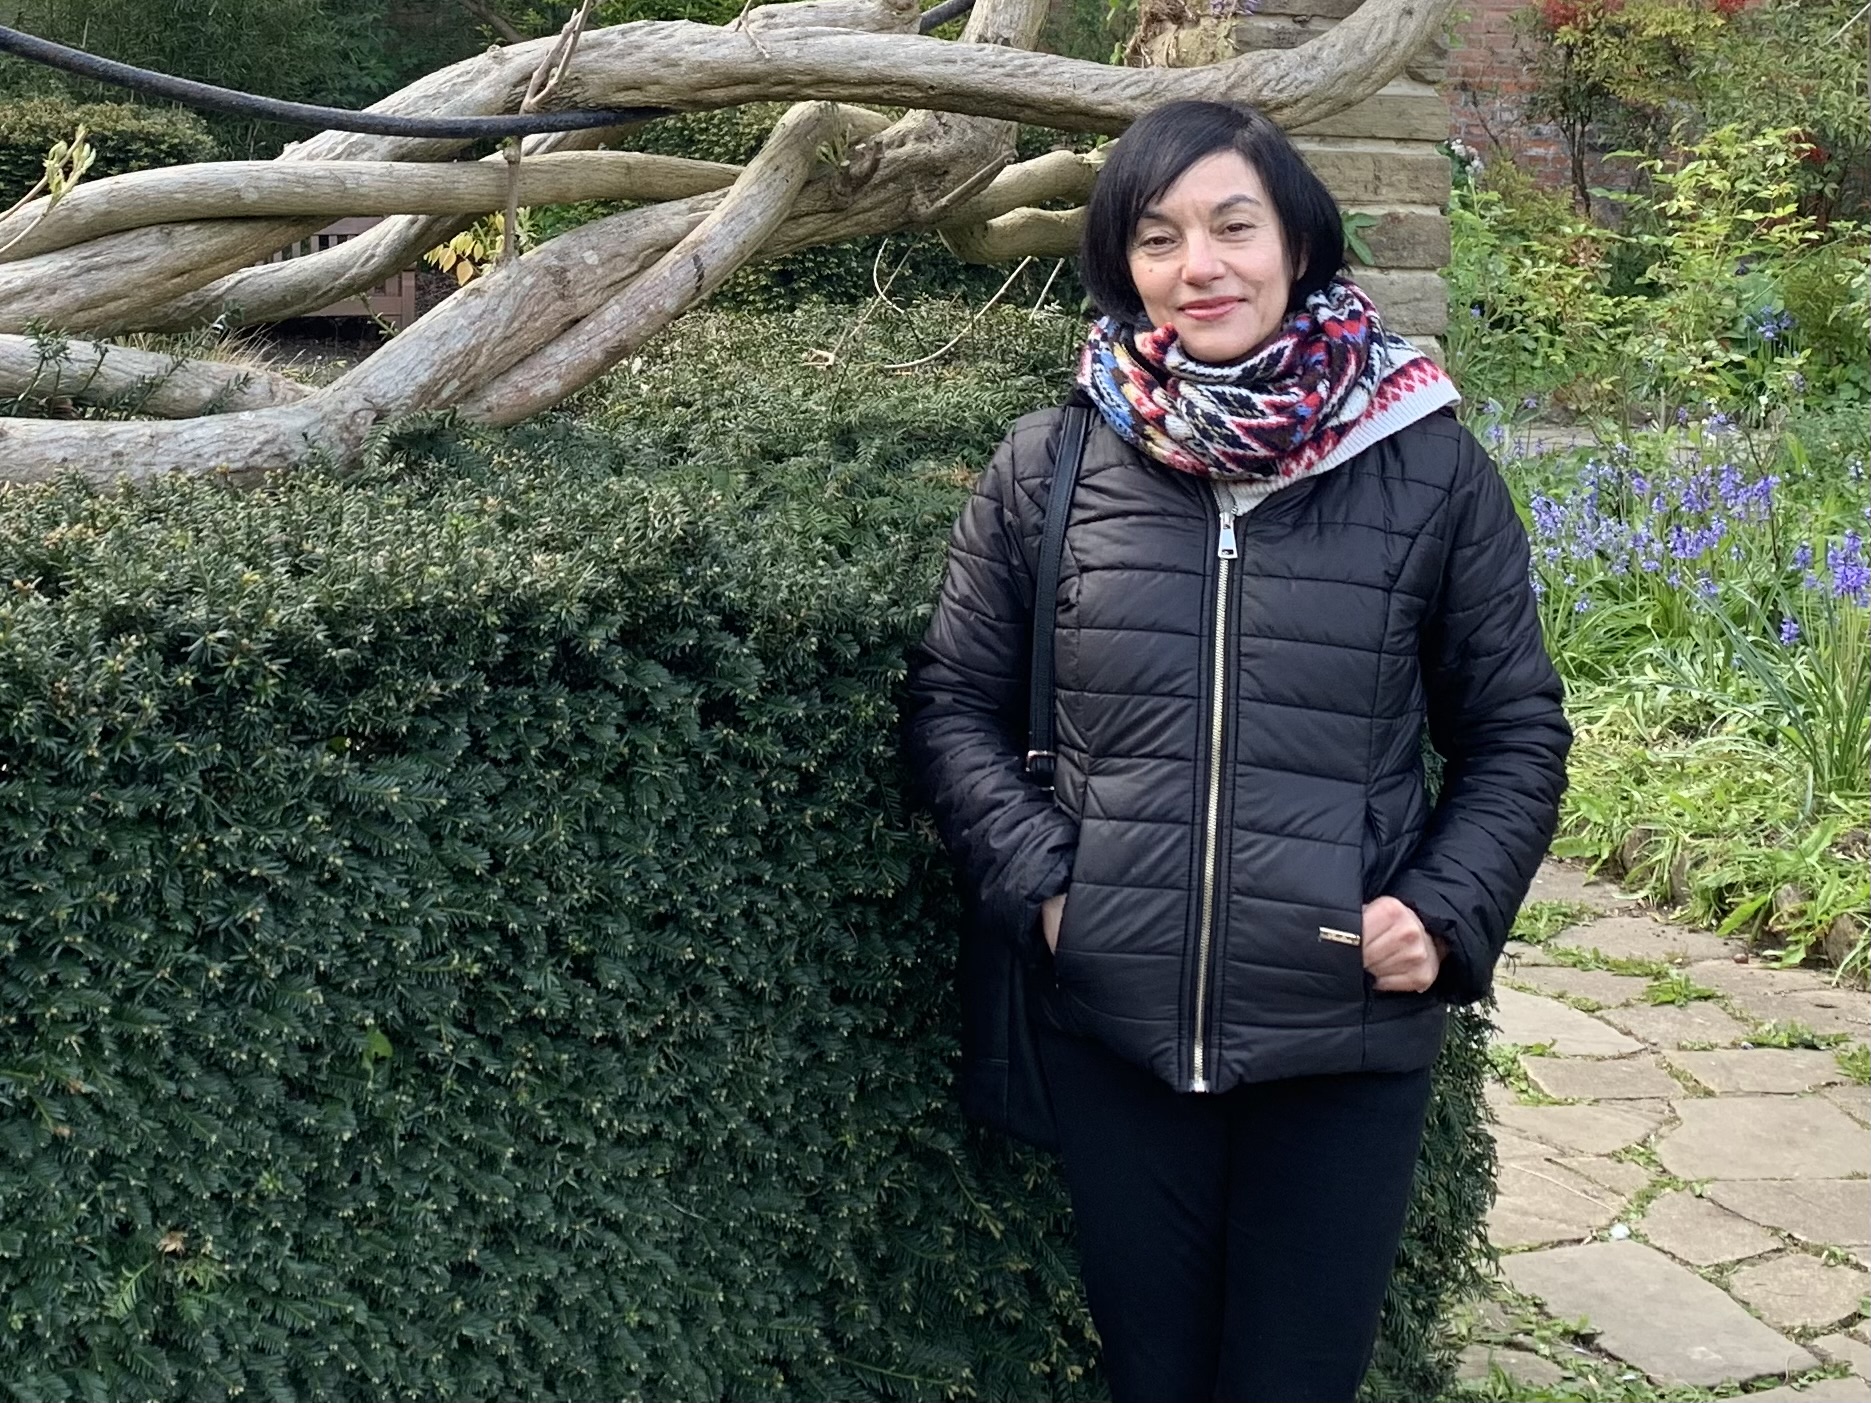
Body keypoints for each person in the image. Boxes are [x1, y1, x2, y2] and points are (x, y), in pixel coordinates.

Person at [902, 100, 1571, 1403]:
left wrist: (1446, 910)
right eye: (1158, 237)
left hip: (1343, 1039)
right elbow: (953, 703)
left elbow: (1515, 731)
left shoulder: (1429, 468)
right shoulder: (1052, 463)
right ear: (1124, 264)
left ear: (1298, 244)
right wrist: (1053, 893)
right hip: (1118, 1032)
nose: (1198, 265)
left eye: (1232, 226)